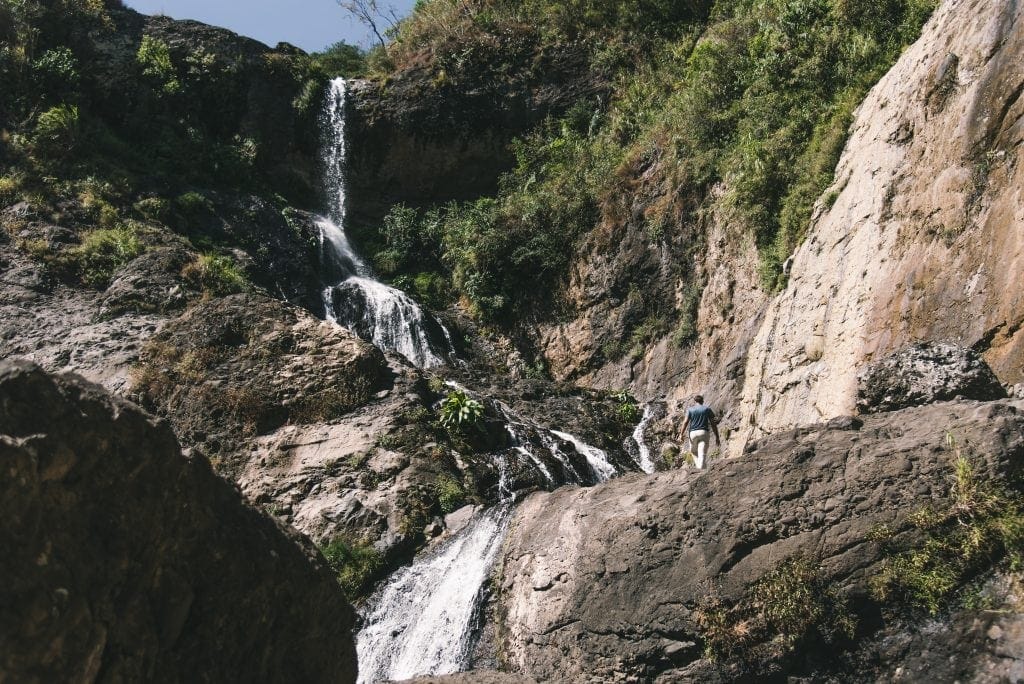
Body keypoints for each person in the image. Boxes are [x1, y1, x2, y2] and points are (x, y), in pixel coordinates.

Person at [679, 395, 720, 469]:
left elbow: (685, 422)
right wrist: (717, 436)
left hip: (693, 433)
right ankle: (701, 470)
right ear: (702, 401)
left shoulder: (690, 410)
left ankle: (700, 469)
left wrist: (681, 434)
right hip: (703, 432)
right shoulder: (707, 409)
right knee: (702, 453)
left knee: (694, 452)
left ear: (695, 401)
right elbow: (713, 423)